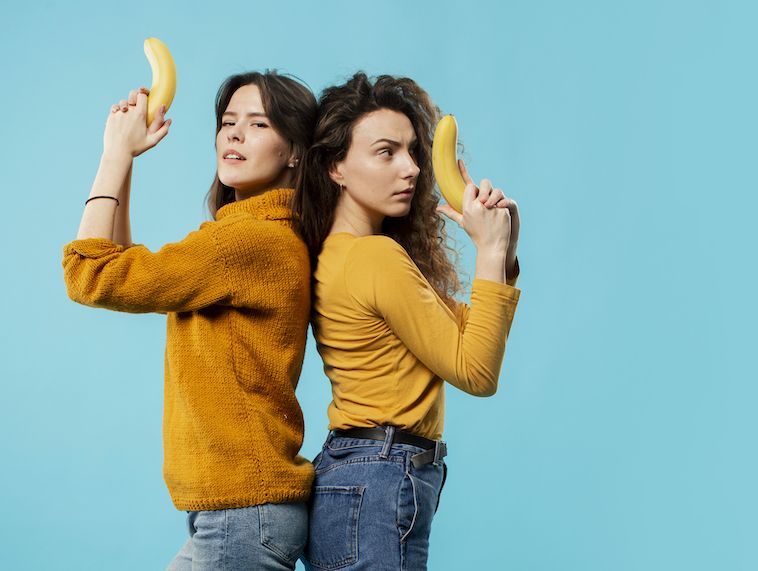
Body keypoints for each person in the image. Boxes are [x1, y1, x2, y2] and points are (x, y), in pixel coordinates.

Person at [62, 71, 317, 570]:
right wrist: (129, 161)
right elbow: (125, 267)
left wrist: (113, 154)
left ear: (296, 152)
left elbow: (89, 273)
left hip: (242, 515)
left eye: (259, 123)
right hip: (244, 512)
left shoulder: (246, 243)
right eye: (227, 122)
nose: (235, 134)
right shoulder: (257, 239)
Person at [293, 72, 521, 571]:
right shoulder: (373, 258)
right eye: (386, 152)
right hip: (377, 480)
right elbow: (477, 371)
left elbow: (466, 330)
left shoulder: (344, 255)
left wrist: (502, 254)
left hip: (361, 478)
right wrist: (487, 250)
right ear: (336, 167)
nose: (412, 168)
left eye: (414, 151)